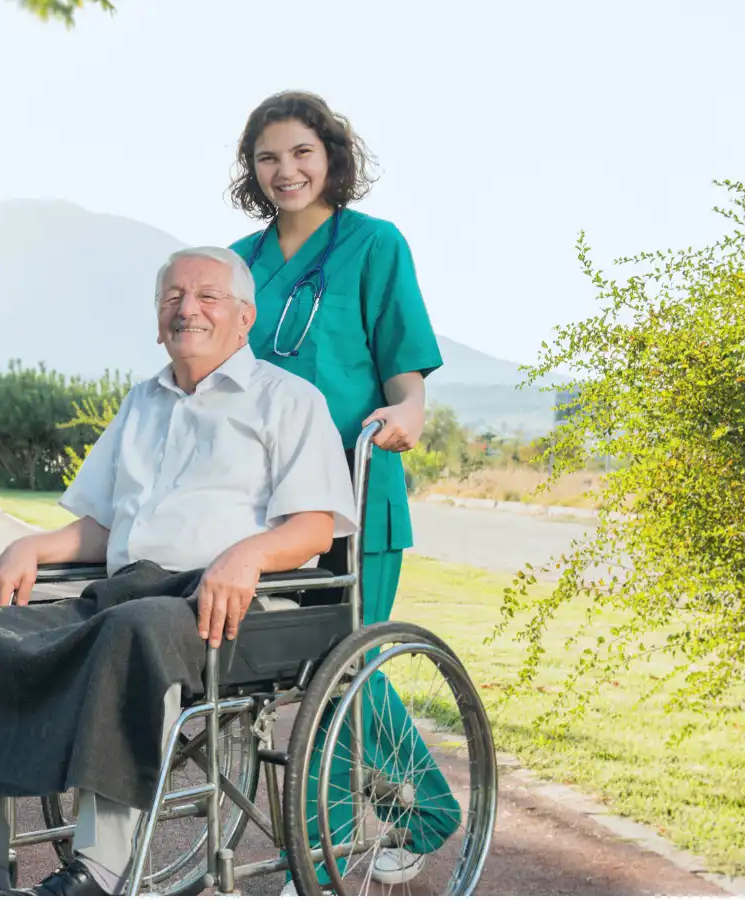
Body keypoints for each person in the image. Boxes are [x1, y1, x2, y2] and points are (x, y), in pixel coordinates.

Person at [0, 246, 359, 897]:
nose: (188, 308)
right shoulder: (142, 402)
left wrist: (248, 554)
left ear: (244, 317)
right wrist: (35, 547)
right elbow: (101, 526)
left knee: (131, 630)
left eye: (207, 296)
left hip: (235, 601)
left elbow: (314, 527)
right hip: (126, 591)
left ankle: (101, 871)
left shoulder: (287, 401)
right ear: (157, 320)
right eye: (173, 297)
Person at [226, 90, 459, 888]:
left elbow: (403, 360)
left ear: (331, 158)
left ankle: (325, 857)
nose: (285, 170)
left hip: (356, 491)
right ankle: (401, 816)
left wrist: (411, 409)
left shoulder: (374, 245)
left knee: (339, 669)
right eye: (268, 157)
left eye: (300, 153)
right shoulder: (239, 264)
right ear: (251, 171)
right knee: (301, 672)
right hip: (259, 504)